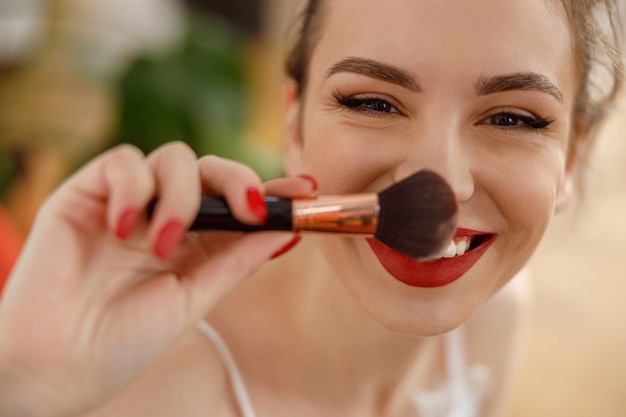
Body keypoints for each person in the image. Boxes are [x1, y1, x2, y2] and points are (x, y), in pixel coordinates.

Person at [0, 0, 623, 416]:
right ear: (293, 123)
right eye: (373, 103)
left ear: (571, 156)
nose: (446, 181)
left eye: (513, 117)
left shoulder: (495, 318)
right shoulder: (157, 391)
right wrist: (30, 387)